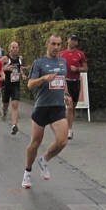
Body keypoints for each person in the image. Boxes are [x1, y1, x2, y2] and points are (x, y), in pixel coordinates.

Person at [22, 34, 72, 189]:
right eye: (53, 44)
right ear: (47, 44)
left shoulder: (63, 62)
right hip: (42, 107)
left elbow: (63, 81)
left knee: (62, 140)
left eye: (58, 44)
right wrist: (43, 79)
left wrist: (66, 94)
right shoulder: (39, 63)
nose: (56, 47)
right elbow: (30, 85)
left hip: (57, 107)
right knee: (35, 143)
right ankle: (27, 172)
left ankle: (44, 160)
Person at [58, 34, 88, 140]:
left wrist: (77, 69)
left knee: (73, 106)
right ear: (68, 40)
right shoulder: (61, 54)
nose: (74, 42)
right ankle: (69, 130)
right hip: (65, 82)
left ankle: (69, 125)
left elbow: (85, 68)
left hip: (76, 82)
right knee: (69, 106)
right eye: (72, 40)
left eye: (76, 40)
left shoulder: (80, 54)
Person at [1, 42, 27, 134]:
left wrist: (23, 75)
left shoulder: (19, 59)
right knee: (5, 104)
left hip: (15, 85)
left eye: (16, 47)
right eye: (13, 47)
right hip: (6, 85)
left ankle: (14, 125)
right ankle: (4, 112)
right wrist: (5, 69)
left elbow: (19, 68)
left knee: (15, 105)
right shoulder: (5, 58)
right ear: (10, 49)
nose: (15, 49)